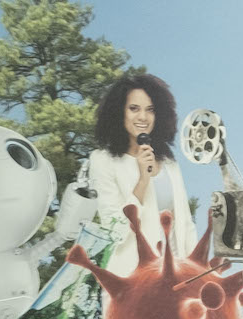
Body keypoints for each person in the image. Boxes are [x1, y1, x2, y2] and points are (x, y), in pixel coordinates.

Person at [55, 70, 196, 279]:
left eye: (150, 110)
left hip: (177, 280)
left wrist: (197, 273)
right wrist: (142, 180)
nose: (143, 117)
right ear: (119, 112)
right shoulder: (103, 161)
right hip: (132, 283)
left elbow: (185, 225)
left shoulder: (169, 163)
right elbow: (115, 232)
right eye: (134, 108)